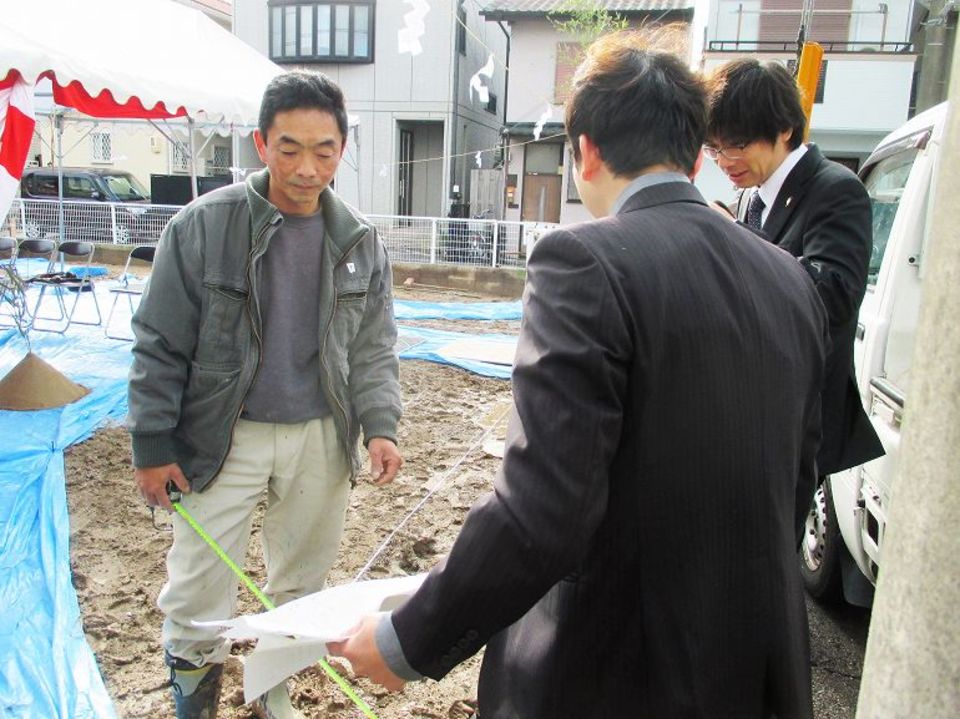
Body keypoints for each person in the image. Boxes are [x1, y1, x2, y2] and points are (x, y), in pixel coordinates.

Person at [330, 32, 827, 718]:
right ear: (691, 151)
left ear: (586, 150)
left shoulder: (586, 262)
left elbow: (542, 510)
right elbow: (796, 479)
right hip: (752, 663)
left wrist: (406, 639)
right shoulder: (790, 279)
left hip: (616, 672)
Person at [127, 70, 402, 719]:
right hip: (223, 434)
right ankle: (195, 703)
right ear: (261, 143)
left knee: (302, 588)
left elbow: (373, 347)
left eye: (324, 149)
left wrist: (381, 424)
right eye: (290, 148)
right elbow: (159, 341)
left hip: (320, 438)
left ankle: (272, 695)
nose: (307, 168)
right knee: (197, 585)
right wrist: (152, 442)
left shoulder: (360, 242)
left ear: (342, 147)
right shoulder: (203, 226)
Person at [704, 58, 884, 480]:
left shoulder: (836, 189)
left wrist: (738, 241)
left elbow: (835, 294)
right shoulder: (751, 195)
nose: (724, 160)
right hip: (751, 410)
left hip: (800, 421)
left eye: (737, 144)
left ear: (784, 129)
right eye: (713, 148)